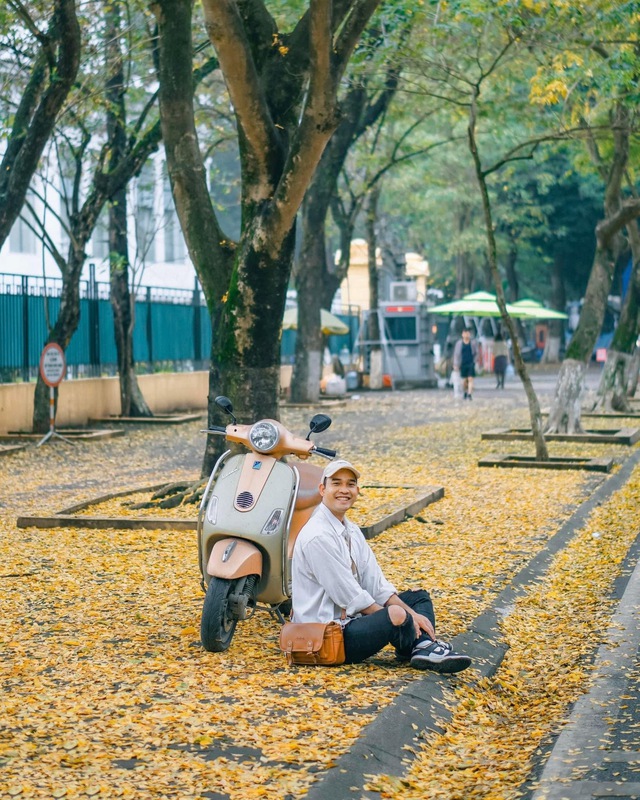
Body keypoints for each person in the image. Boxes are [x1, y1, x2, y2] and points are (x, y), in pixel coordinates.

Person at [291, 460, 472, 674]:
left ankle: (419, 647)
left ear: (357, 490)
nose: (344, 490)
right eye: (336, 483)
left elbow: (376, 584)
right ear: (322, 489)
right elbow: (351, 597)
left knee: (418, 598)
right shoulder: (318, 536)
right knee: (396, 614)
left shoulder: (352, 530)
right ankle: (421, 645)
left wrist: (409, 612)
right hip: (327, 634)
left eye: (350, 484)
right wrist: (403, 618)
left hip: (352, 620)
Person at [452, 327, 479, 400]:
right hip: (463, 363)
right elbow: (456, 355)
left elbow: (476, 353)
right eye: (465, 333)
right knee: (463, 380)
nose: (466, 335)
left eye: (468, 333)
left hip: (470, 363)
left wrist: (475, 361)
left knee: (470, 378)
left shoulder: (473, 343)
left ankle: (469, 394)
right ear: (462, 334)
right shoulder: (459, 344)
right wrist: (456, 364)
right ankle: (465, 391)